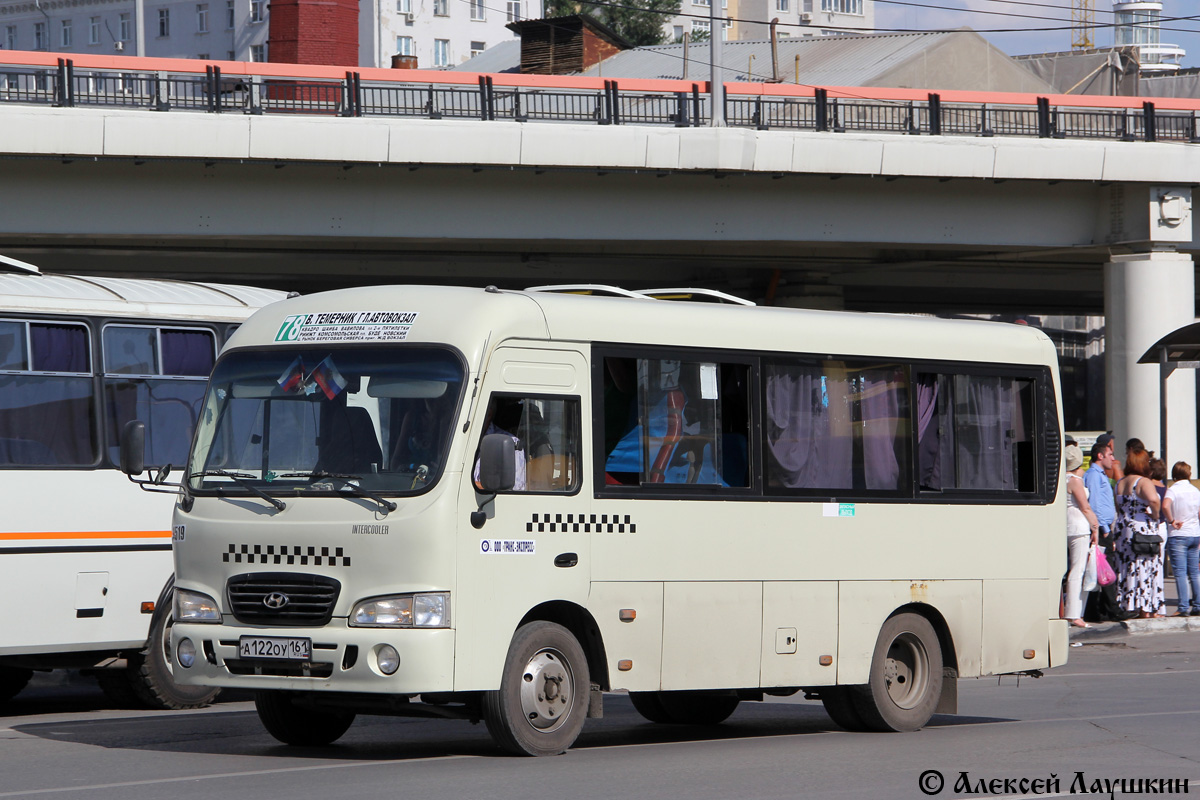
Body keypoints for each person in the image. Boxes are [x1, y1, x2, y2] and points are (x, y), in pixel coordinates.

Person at [1112, 448, 1165, 619]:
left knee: (1127, 566)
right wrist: (1156, 514)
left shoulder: (1120, 482)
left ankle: (1129, 604)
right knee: (1145, 565)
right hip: (1141, 526)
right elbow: (1154, 499)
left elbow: (1118, 506)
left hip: (1123, 527)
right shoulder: (1143, 482)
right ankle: (1146, 607)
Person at [1063, 444, 1100, 628]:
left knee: (1069, 570)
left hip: (1065, 526)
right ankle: (1074, 614)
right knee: (1078, 570)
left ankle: (1069, 611)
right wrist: (1095, 527)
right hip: (1079, 527)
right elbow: (1085, 507)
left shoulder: (1061, 479)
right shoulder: (1075, 481)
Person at [1162, 461, 1200, 617]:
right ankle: (1197, 605)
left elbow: (1165, 505)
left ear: (1174, 475)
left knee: (1180, 573)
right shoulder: (1195, 490)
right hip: (1194, 533)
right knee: (1195, 573)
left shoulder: (1173, 490)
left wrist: (1172, 520)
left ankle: (1183, 606)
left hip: (1178, 534)